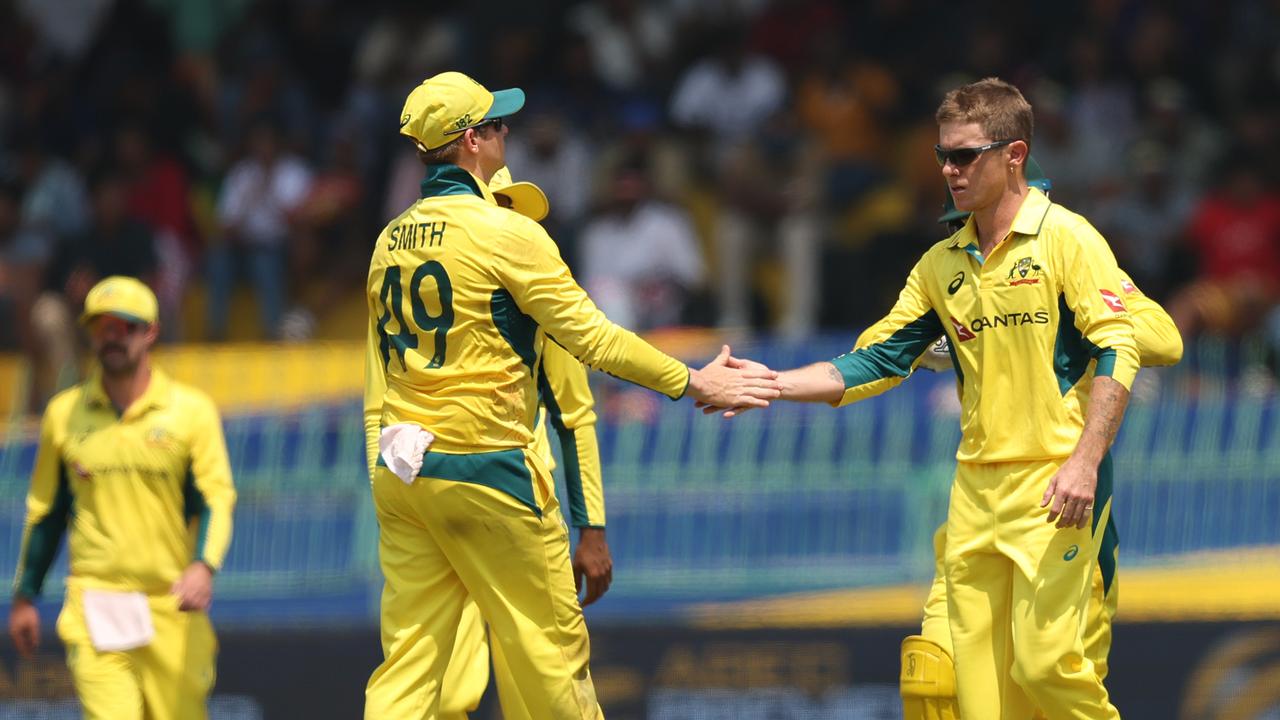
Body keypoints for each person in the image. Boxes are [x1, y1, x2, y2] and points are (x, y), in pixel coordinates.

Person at [362, 71, 779, 719]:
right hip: (487, 464)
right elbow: (596, 339)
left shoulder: (389, 241)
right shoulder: (507, 234)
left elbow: (377, 382)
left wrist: (380, 467)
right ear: (472, 140)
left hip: (403, 469)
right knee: (550, 654)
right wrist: (695, 380)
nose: (507, 137)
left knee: (410, 663)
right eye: (499, 127)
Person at [716, 78, 1137, 718]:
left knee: (1049, 669)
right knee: (966, 696)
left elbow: (1119, 347)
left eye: (965, 155)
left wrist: (1085, 460)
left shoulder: (1067, 240)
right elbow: (877, 361)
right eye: (944, 154)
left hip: (1056, 488)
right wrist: (768, 383)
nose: (948, 169)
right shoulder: (942, 263)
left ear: (1014, 154)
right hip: (975, 495)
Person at [896, 164, 1184, 720]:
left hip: (1057, 502)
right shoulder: (953, 270)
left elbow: (1163, 339)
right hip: (981, 497)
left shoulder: (1071, 255)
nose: (967, 233)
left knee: (1045, 681)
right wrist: (948, 341)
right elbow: (881, 346)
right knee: (931, 679)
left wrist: (1061, 322)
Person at [397, 168, 614, 720]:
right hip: (467, 496)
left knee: (531, 687)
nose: (510, 218)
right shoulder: (429, 291)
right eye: (500, 205)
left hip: (507, 504)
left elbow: (573, 415)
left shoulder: (540, 304)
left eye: (515, 210)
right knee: (452, 690)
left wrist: (592, 530)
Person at [8, 275, 236, 720]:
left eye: (123, 327)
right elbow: (47, 512)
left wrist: (202, 566)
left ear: (150, 332)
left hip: (171, 604)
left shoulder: (190, 412)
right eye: (101, 328)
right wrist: (24, 597)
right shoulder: (63, 414)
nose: (111, 338)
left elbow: (215, 498)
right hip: (97, 601)